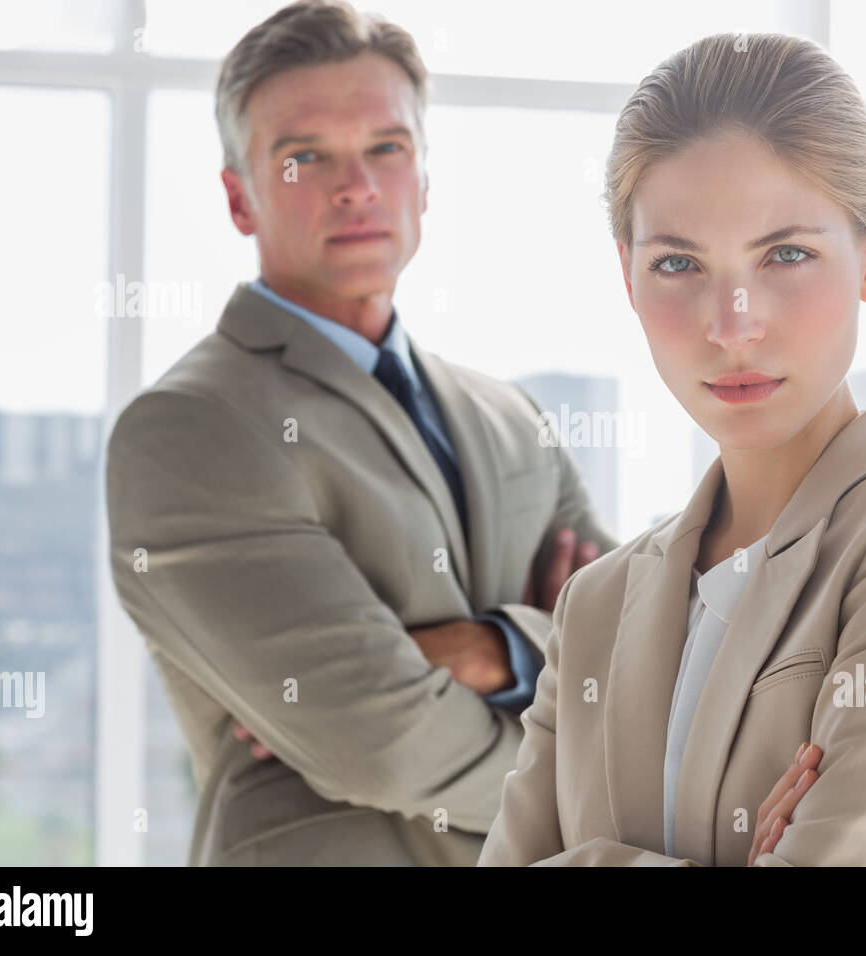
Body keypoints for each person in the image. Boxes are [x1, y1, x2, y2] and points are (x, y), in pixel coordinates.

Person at [478, 32, 866, 866]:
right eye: (678, 263)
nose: (732, 322)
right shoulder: (594, 606)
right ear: (627, 278)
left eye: (786, 254)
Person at [104, 0, 617, 866]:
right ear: (239, 197)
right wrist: (584, 757)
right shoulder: (189, 428)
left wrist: (496, 648)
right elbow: (378, 742)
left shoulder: (513, 418)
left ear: (425, 176)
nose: (356, 186)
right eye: (305, 157)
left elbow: (643, 659)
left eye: (387, 147)